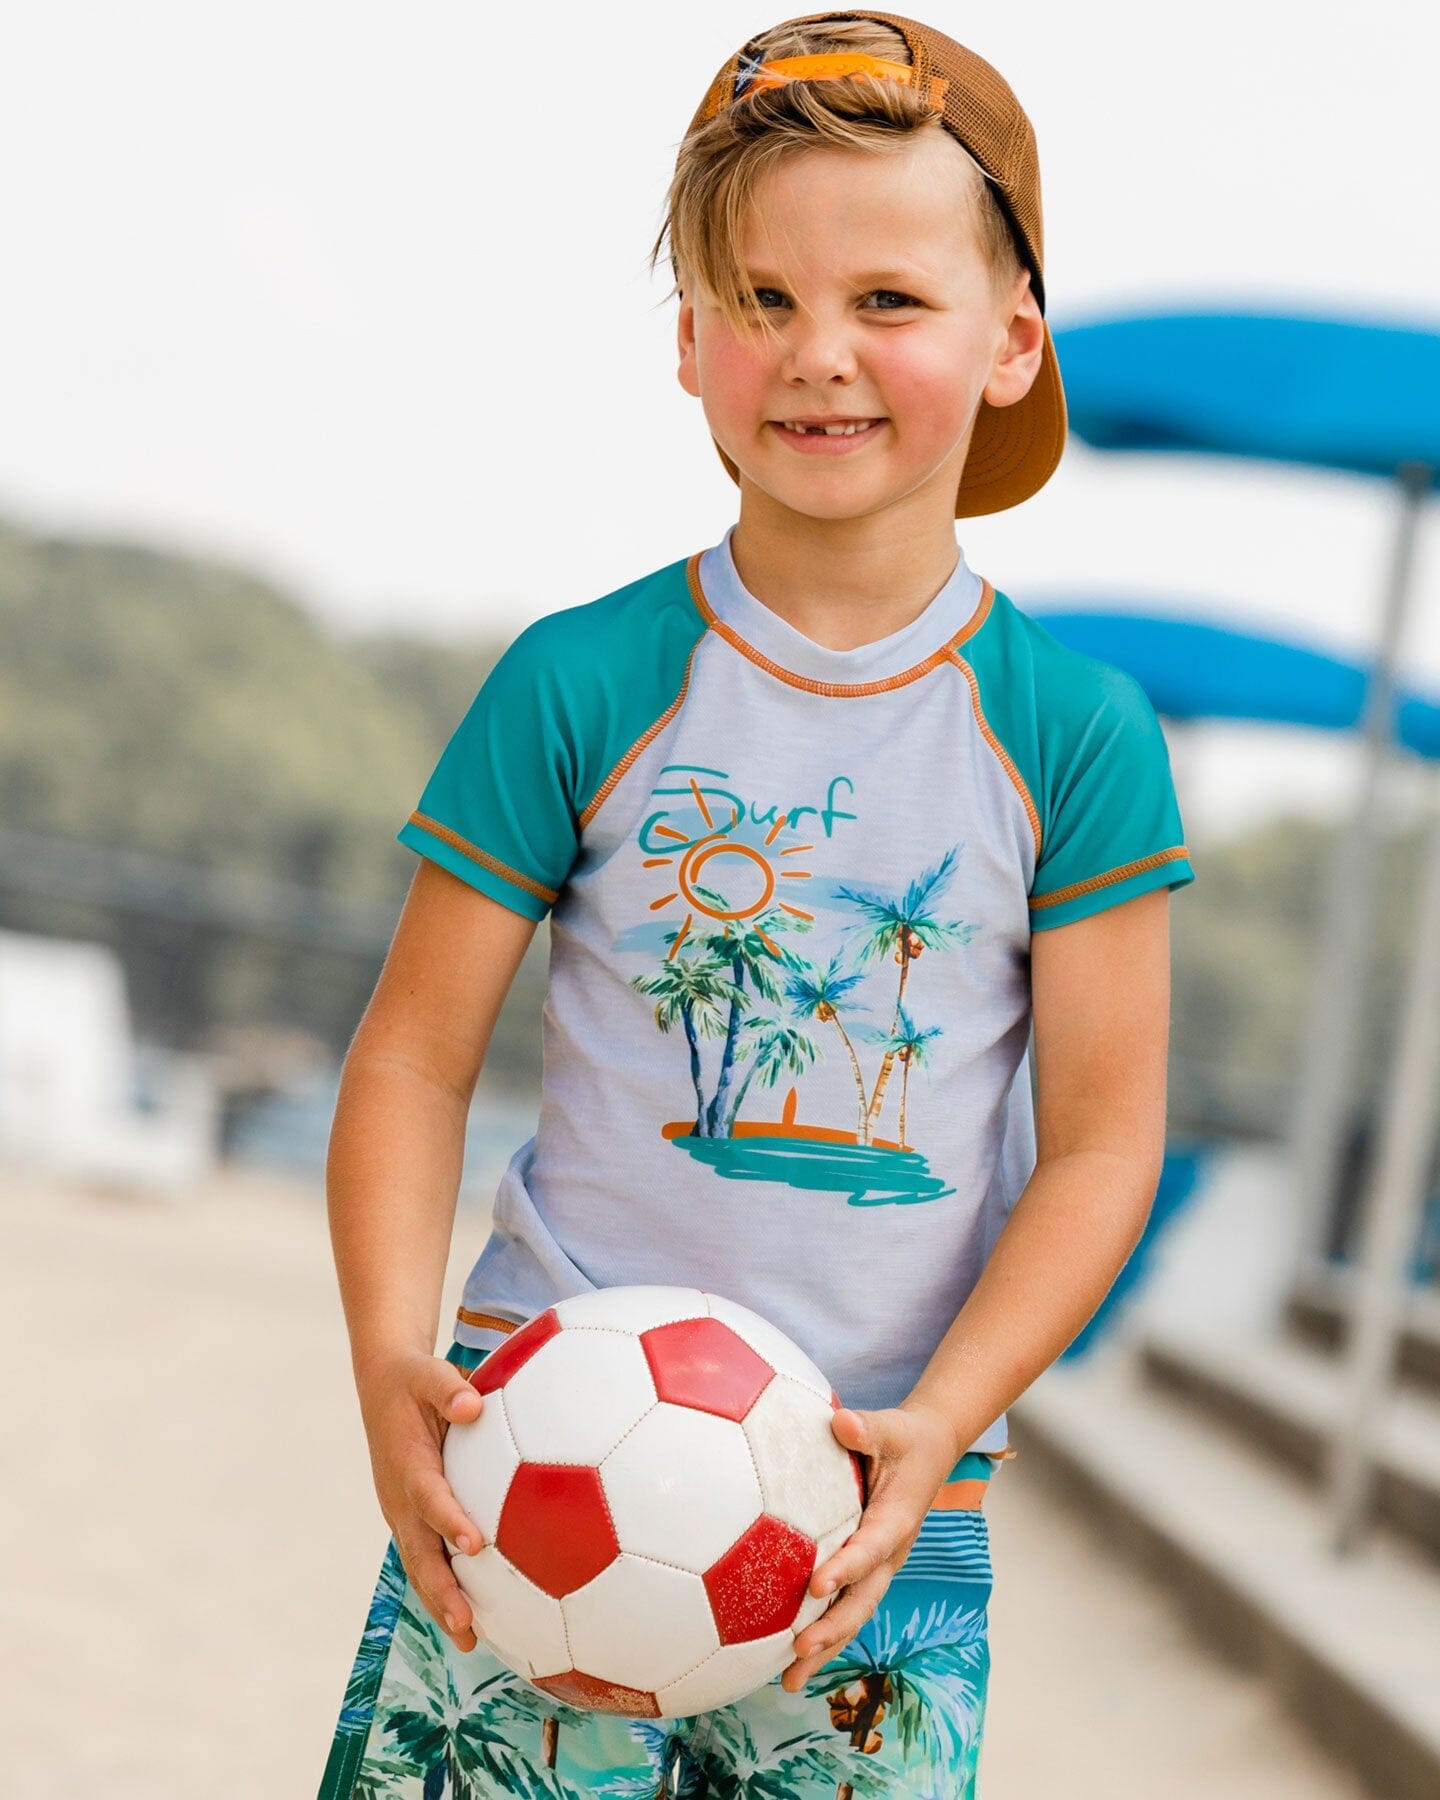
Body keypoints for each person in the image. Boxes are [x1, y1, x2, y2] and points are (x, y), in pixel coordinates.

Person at [317, 11, 1195, 1797]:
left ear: (1013, 338)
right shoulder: (582, 678)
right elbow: (411, 1060)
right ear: (693, 342)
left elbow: (1104, 1147)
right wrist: (391, 1358)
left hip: (886, 1516)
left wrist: (939, 1430)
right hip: (529, 1465)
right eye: (763, 299)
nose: (820, 356)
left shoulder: (1074, 737)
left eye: (889, 300)